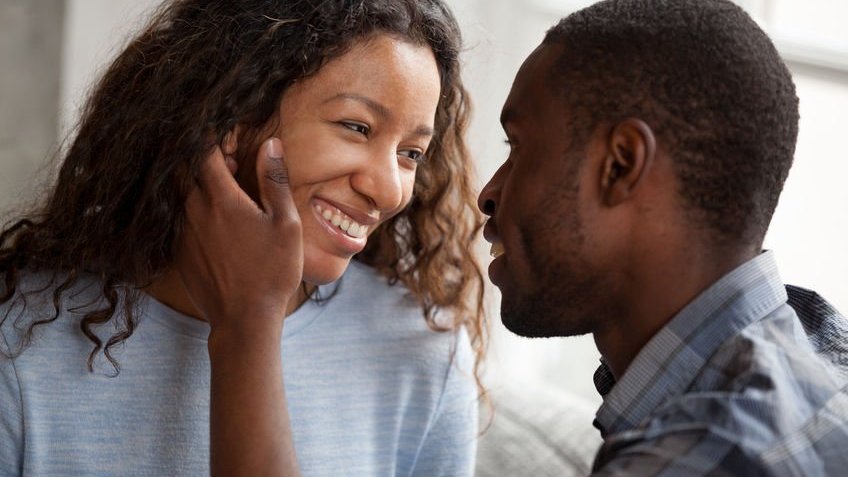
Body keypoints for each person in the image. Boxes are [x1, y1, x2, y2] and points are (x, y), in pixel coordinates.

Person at [0, 1, 486, 476]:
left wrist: (248, 323)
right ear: (232, 118)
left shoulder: (424, 351)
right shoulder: (19, 346)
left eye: (412, 153)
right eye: (356, 127)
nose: (388, 189)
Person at [477, 0, 848, 475]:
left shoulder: (694, 461)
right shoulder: (820, 350)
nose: (489, 194)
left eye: (519, 147)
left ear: (620, 165)